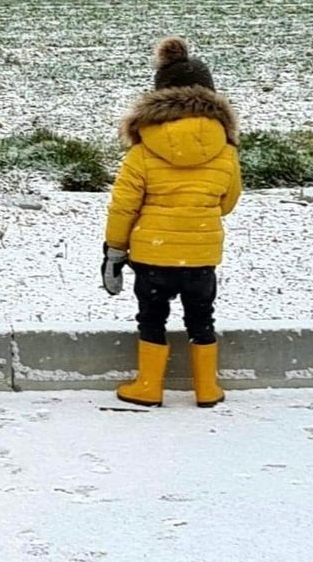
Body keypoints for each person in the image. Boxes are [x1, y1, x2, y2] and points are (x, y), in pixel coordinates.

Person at [101, 36, 241, 408]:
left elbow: (123, 207)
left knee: (151, 317)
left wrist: (114, 250)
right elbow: (227, 202)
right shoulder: (225, 150)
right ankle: (207, 388)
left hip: (152, 256)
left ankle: (148, 385)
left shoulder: (143, 150)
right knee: (201, 318)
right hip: (200, 255)